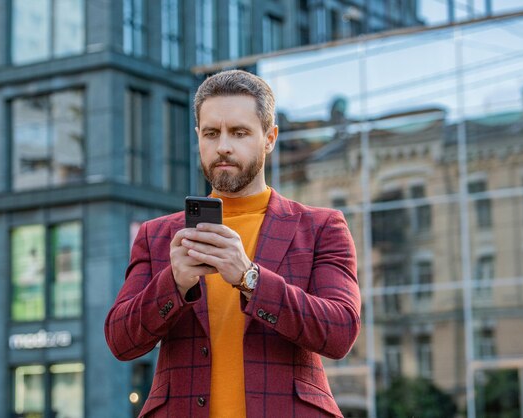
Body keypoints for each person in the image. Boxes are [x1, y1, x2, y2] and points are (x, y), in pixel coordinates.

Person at [104, 70, 360, 418]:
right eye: (211, 133)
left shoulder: (320, 227)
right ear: (198, 137)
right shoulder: (156, 236)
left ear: (269, 138)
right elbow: (121, 341)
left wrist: (250, 278)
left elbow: (340, 332)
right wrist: (174, 284)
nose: (223, 145)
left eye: (239, 133)